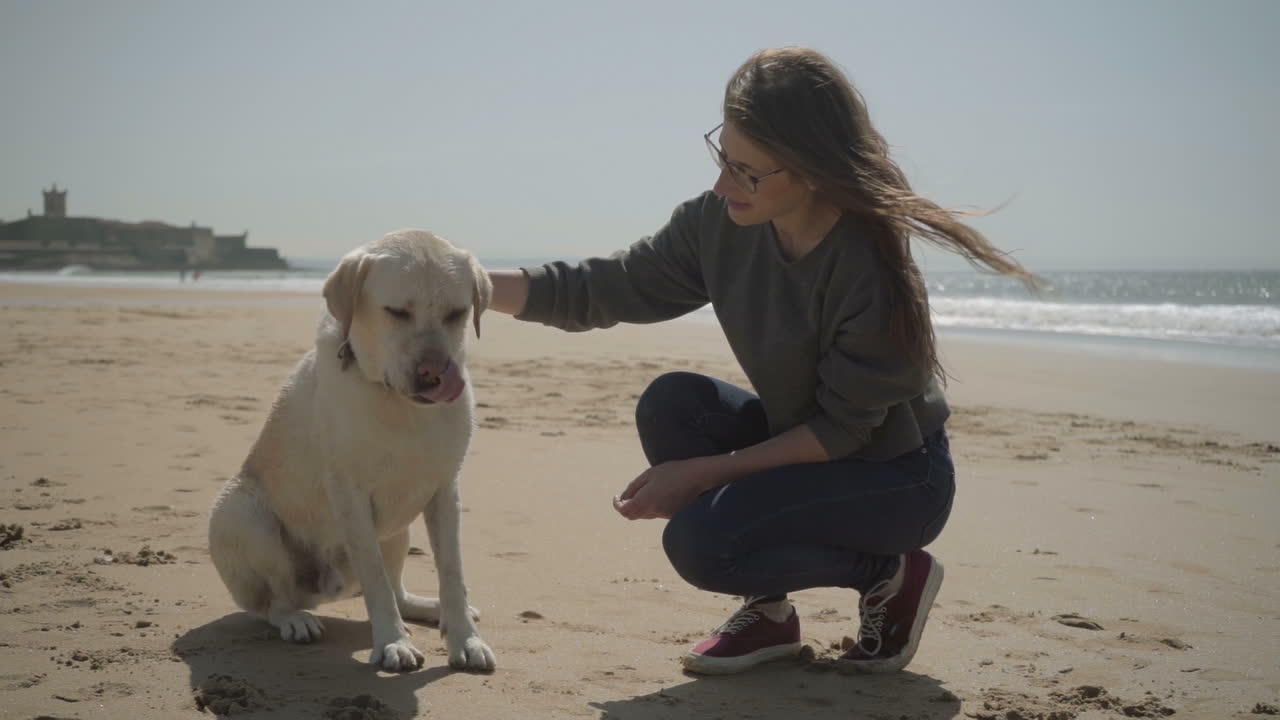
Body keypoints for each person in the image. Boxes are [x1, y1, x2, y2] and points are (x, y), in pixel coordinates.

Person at [485, 46, 1035, 675]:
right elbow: (600, 288)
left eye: (747, 172)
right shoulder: (720, 224)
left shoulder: (869, 264)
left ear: (811, 170)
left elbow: (842, 430)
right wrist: (463, 285)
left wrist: (703, 474)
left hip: (896, 478)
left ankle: (890, 571)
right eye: (723, 159)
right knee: (674, 403)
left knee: (701, 545)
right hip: (802, 448)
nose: (724, 185)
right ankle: (770, 617)